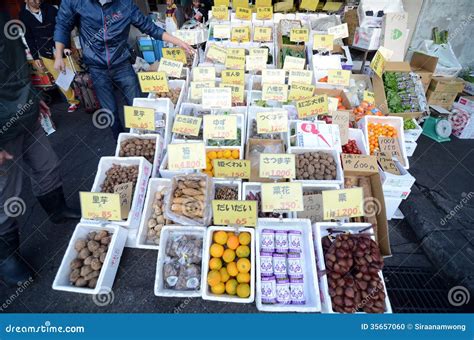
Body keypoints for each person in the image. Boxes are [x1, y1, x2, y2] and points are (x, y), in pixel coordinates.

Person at [0, 10, 81, 287]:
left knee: (47, 164)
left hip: (24, 111)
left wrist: (34, 97)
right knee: (6, 192)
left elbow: (16, 68)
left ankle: (57, 209)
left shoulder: (4, 18)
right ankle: (6, 256)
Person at [53, 0, 195, 140]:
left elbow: (149, 27)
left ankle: (145, 138)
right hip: (96, 66)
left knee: (137, 103)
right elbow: (62, 25)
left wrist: (178, 42)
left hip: (122, 62)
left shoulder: (125, 4)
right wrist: (59, 55)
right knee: (110, 111)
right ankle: (120, 138)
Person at [19, 0, 80, 113]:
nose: (37, 1)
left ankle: (87, 95)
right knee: (60, 78)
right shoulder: (23, 15)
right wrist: (36, 57)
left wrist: (66, 46)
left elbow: (63, 27)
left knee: (76, 70)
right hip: (45, 51)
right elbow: (29, 37)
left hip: (60, 46)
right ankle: (72, 101)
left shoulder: (51, 8)